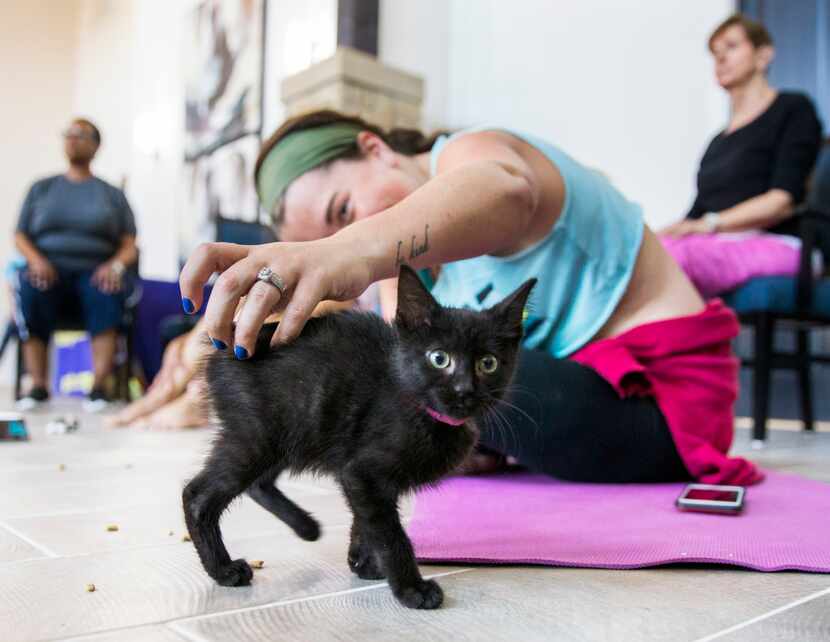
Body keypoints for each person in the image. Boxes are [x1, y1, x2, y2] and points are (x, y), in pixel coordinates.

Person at [177, 109, 763, 486]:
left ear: (375, 147)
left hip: (666, 408)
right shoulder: (410, 279)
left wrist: (342, 251)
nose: (351, 230)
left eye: (342, 212)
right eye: (331, 233)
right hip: (582, 402)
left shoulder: (474, 152)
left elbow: (507, 190)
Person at [661, 13, 823, 297]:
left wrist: (708, 225)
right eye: (715, 53)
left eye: (732, 47)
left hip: (783, 243)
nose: (721, 58)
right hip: (719, 242)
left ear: (764, 55)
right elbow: (696, 214)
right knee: (643, 256)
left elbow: (780, 202)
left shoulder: (793, 109)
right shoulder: (718, 143)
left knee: (672, 263)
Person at [13, 118, 138, 411]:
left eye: (80, 135)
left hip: (96, 272)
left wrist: (115, 267)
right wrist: (36, 261)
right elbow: (20, 235)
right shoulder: (41, 189)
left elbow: (130, 244)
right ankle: (38, 385)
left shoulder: (111, 195)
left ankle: (98, 388)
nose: (72, 139)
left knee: (106, 291)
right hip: (47, 270)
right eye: (68, 134)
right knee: (30, 289)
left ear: (95, 146)